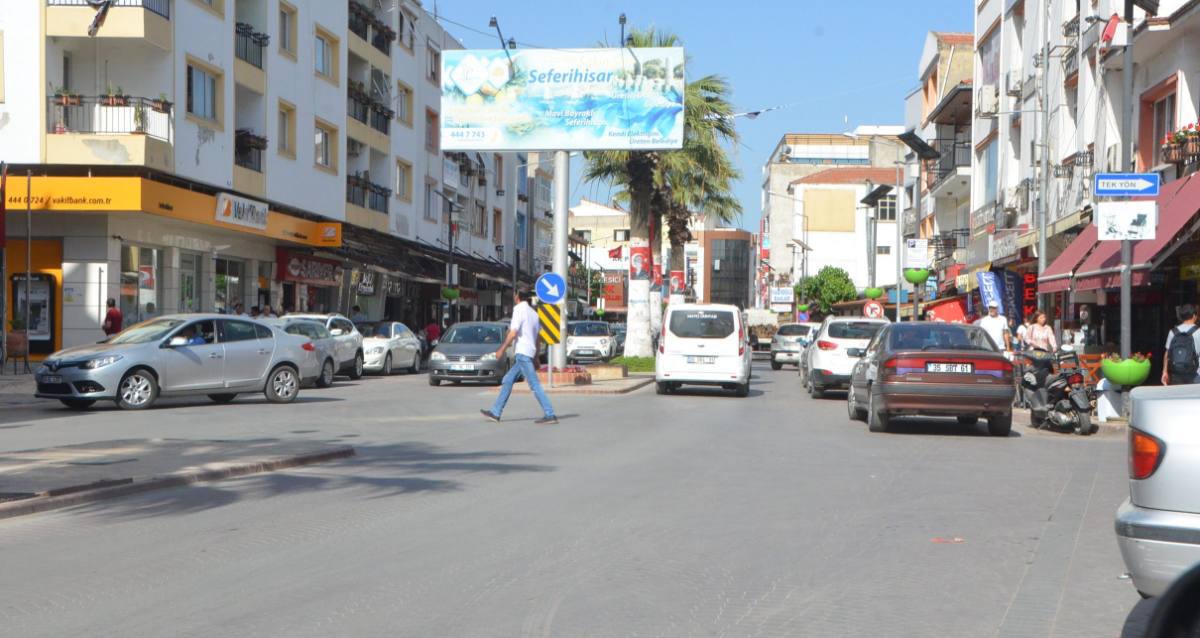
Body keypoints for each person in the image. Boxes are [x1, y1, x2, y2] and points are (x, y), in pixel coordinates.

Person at [481, 290, 557, 425]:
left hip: (522, 353)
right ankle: (496, 412)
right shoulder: (534, 313)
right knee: (508, 379)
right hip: (528, 353)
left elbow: (513, 333)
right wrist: (536, 357)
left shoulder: (519, 309)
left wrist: (501, 350)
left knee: (534, 384)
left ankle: (550, 414)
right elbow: (537, 337)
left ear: (517, 297)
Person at [1163, 303, 1200, 385]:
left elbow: (1167, 354)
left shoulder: (1173, 332)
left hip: (1176, 373)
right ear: (1194, 316)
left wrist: (1165, 372)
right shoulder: (1198, 331)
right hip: (1196, 374)